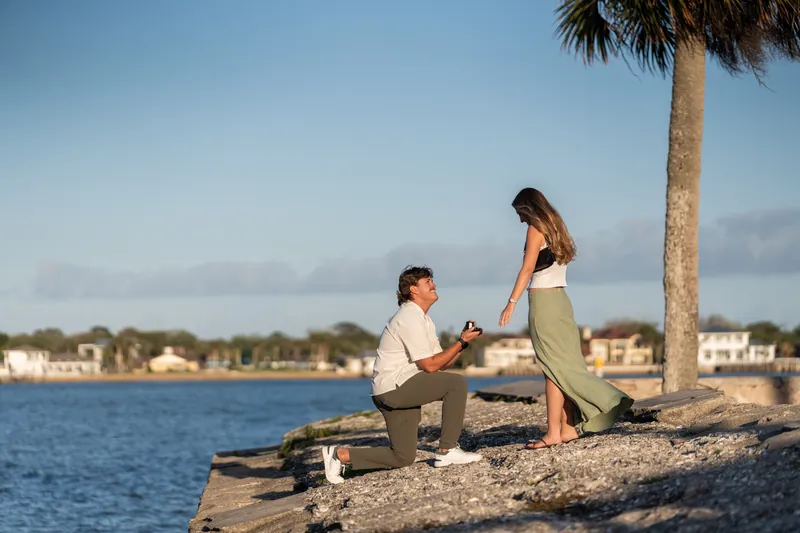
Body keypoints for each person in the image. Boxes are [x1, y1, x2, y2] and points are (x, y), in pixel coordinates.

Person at [498, 187, 634, 449]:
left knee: (552, 368)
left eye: (520, 213)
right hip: (562, 302)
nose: (520, 219)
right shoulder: (558, 229)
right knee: (565, 365)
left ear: (528, 209)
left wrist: (511, 303)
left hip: (544, 303)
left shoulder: (535, 229)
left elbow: (527, 269)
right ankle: (568, 428)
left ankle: (553, 432)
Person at [321, 265, 484, 484]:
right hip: (394, 388)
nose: (434, 285)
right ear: (413, 289)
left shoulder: (423, 319)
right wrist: (460, 342)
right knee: (456, 384)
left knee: (403, 457)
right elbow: (430, 366)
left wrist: (462, 343)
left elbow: (440, 363)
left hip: (393, 389)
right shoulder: (408, 317)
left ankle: (339, 455)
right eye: (428, 282)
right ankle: (447, 450)